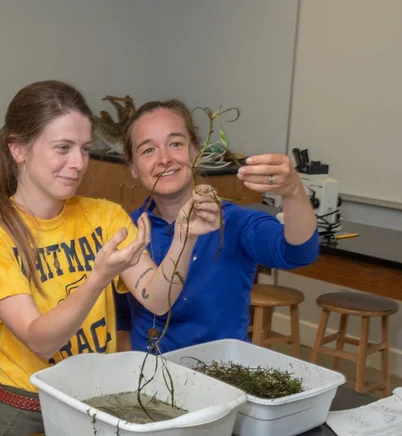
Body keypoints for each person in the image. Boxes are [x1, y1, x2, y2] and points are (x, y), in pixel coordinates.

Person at [0, 82, 220, 436]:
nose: (79, 163)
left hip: (97, 403)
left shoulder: (104, 215)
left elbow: (158, 298)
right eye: (62, 148)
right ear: (18, 148)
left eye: (84, 149)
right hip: (27, 413)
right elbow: (40, 340)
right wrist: (98, 277)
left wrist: (185, 236)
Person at [115, 99, 319, 354]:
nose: (164, 159)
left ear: (195, 150)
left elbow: (299, 252)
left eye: (175, 144)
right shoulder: (128, 228)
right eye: (148, 150)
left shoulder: (233, 223)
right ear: (132, 166)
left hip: (220, 378)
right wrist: (127, 366)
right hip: (147, 379)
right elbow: (121, 314)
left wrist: (293, 191)